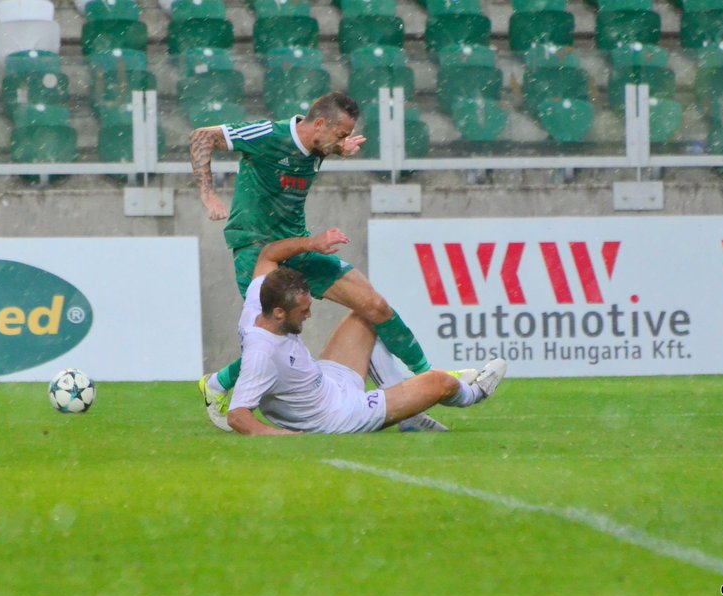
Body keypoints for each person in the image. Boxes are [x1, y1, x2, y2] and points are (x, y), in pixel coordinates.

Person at [190, 92, 462, 432]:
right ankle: (216, 385)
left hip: (302, 247)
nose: (345, 140)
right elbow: (201, 136)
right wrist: (208, 193)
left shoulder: (318, 146)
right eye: (341, 134)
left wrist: (339, 148)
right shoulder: (269, 135)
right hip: (258, 250)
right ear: (319, 123)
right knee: (275, 339)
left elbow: (324, 147)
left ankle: (427, 376)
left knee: (374, 306)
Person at [226, 228, 508, 435]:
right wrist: (281, 436)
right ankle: (475, 393)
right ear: (278, 312)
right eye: (303, 311)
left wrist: (312, 243)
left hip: (326, 381)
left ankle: (407, 412)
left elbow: (268, 254)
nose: (309, 315)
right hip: (338, 415)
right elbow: (238, 416)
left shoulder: (257, 299)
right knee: (439, 383)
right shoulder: (261, 353)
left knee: (368, 312)